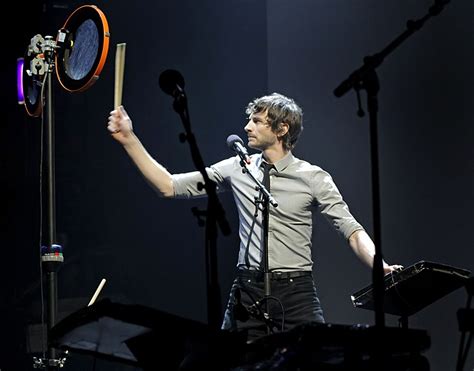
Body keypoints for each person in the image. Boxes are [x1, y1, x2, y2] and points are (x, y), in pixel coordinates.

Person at [107, 92, 403, 342]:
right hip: (247, 292)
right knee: (227, 362)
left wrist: (380, 266)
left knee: (317, 359)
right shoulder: (237, 168)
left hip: (296, 292)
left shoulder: (313, 177)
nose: (247, 127)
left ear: (282, 129)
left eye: (257, 121)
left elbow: (350, 229)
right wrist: (129, 139)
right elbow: (169, 186)